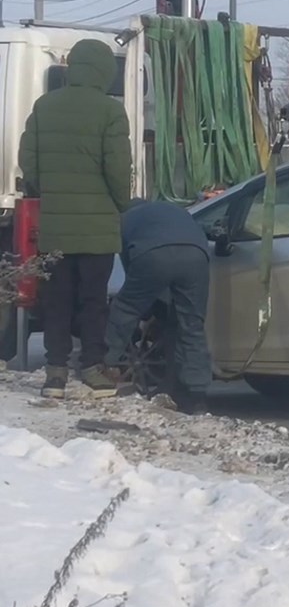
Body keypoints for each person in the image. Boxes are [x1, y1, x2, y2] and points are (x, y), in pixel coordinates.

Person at [18, 39, 131, 399]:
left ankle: (55, 373)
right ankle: (93, 369)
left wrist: (46, 188)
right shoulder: (110, 112)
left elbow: (29, 163)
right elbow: (117, 168)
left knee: (57, 299)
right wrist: (122, 203)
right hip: (97, 228)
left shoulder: (44, 106)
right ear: (103, 71)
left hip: (55, 225)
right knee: (94, 300)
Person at [104, 198, 213, 415]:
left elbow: (132, 268)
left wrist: (144, 309)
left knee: (125, 309)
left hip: (152, 255)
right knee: (192, 325)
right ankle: (196, 395)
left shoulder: (125, 220)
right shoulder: (175, 211)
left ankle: (104, 365)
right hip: (196, 256)